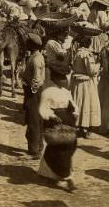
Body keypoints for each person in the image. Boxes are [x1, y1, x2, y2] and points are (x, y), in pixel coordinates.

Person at [38, 61, 78, 191]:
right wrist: (51, 116)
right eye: (60, 77)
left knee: (69, 147)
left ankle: (48, 173)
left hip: (67, 121)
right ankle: (67, 177)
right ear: (54, 77)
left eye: (64, 78)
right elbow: (42, 109)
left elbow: (73, 104)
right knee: (60, 150)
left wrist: (74, 112)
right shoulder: (47, 91)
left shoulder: (66, 91)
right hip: (55, 123)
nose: (63, 80)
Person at [70, 35, 101, 138]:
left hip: (77, 81)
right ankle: (87, 129)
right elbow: (91, 71)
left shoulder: (76, 53)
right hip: (86, 83)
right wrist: (99, 65)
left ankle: (77, 126)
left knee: (78, 103)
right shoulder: (87, 55)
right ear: (89, 44)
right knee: (87, 103)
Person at [21, 32, 45, 157]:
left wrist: (30, 90)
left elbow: (36, 79)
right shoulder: (36, 56)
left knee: (33, 120)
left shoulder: (35, 60)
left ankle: (35, 149)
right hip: (36, 91)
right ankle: (38, 146)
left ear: (32, 44)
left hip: (33, 92)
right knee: (37, 119)